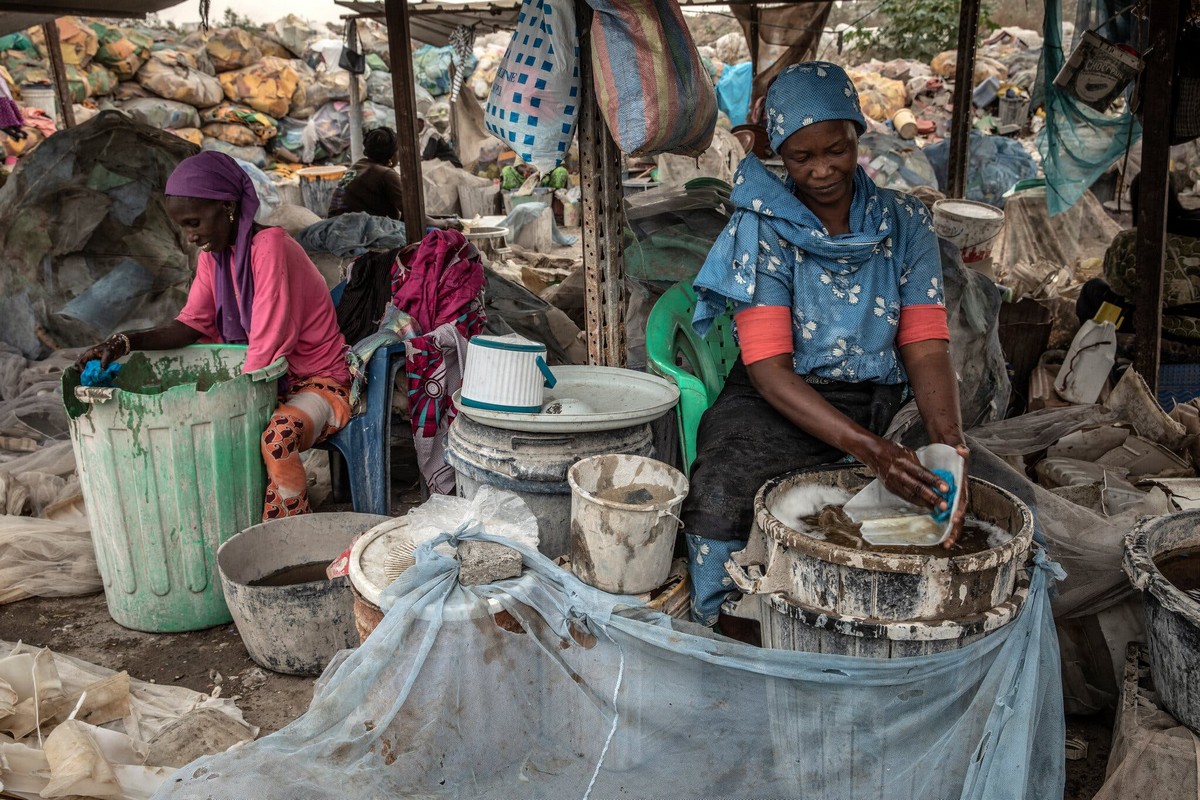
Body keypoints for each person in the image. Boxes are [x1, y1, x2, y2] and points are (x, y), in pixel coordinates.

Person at [683, 62, 969, 629]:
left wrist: (950, 445)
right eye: (800, 157)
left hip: (876, 397)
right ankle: (731, 626)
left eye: (835, 150)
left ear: (858, 132)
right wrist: (872, 453)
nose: (820, 171)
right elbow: (769, 370)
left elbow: (925, 343)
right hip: (778, 399)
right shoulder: (763, 227)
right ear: (780, 156)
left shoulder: (905, 221)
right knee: (720, 488)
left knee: (957, 500)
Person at [75, 150, 352, 521]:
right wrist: (124, 342)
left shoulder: (271, 246)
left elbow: (269, 343)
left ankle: (289, 534)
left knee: (275, 438)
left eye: (194, 223)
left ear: (228, 208)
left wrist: (223, 405)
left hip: (317, 384)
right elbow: (191, 324)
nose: (191, 237)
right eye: (184, 228)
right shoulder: (215, 257)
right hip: (269, 381)